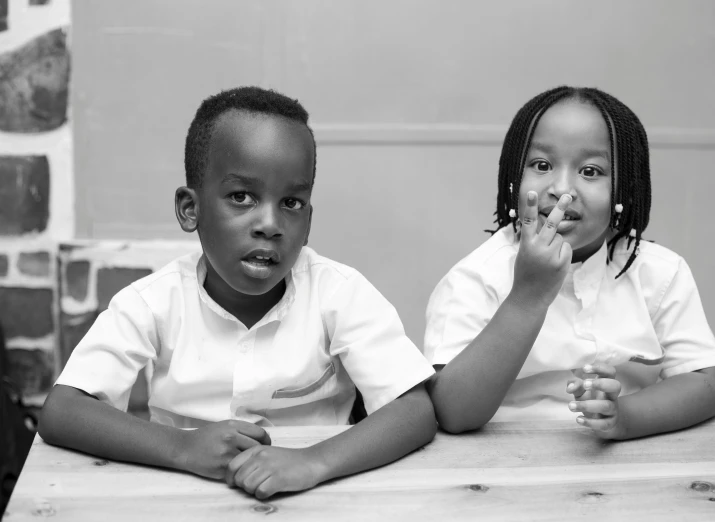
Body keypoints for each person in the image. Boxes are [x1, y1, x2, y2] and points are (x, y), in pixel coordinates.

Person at [38, 87, 436, 499]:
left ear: (309, 221)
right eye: (241, 197)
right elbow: (63, 411)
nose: (269, 223)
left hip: (319, 496)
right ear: (191, 209)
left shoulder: (340, 293)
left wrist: (313, 461)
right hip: (184, 495)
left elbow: (415, 410)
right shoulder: (152, 302)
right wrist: (182, 447)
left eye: (292, 203)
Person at [424, 86, 715, 440]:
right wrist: (527, 297)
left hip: (622, 462)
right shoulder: (474, 278)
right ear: (512, 177)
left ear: (624, 189)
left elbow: (707, 381)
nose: (562, 189)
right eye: (541, 165)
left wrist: (625, 417)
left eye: (590, 171)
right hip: (502, 463)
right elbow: (452, 412)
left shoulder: (660, 272)